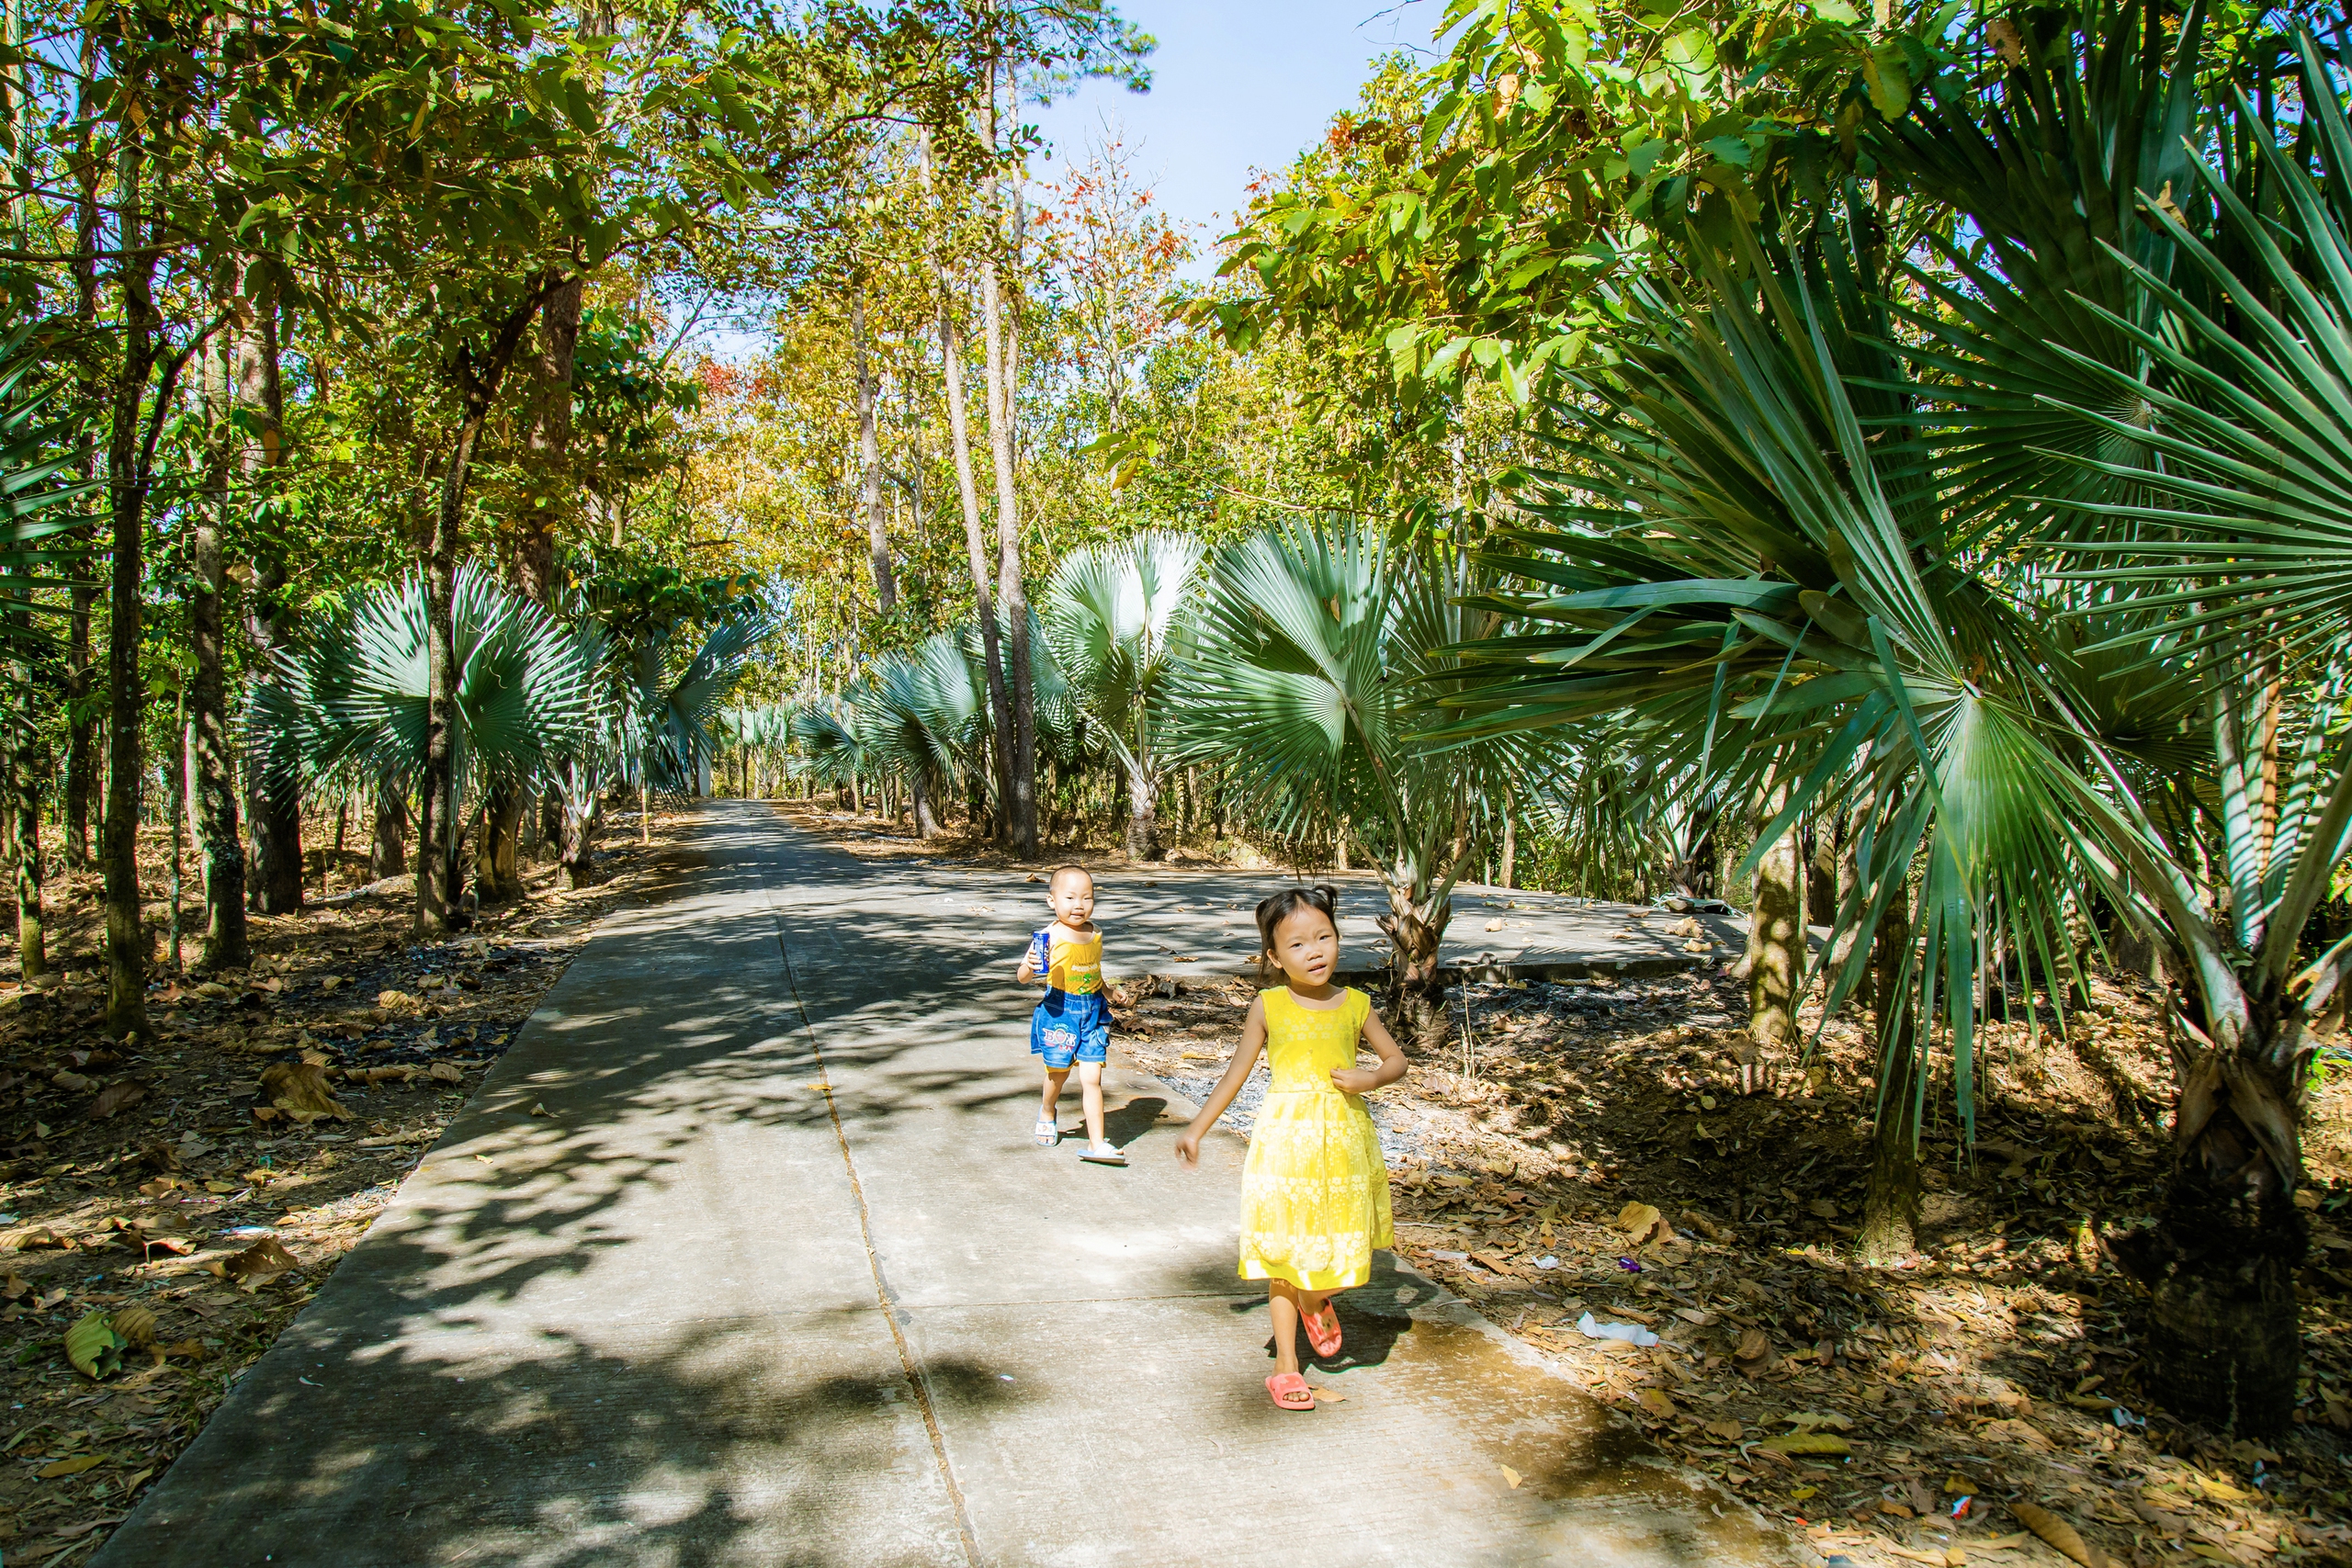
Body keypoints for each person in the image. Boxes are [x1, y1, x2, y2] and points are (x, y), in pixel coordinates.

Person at [1174, 884, 1407, 1410]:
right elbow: (1236, 1074)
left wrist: (1370, 1078)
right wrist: (1196, 1129)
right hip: (1285, 1147)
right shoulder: (1269, 1006)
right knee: (1283, 1254)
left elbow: (1396, 1062)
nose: (1316, 951)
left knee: (1341, 1240)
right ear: (1275, 959)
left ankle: (1314, 1295)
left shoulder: (1357, 1005)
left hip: (1344, 1145)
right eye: (1298, 945)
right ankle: (1285, 1363)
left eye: (1324, 937)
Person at [1016, 863, 1126, 1166]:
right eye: (1070, 898)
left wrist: (1108, 992)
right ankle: (1048, 1110)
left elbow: (1093, 972)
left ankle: (1097, 1143)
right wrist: (1028, 963)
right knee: (1058, 1073)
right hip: (1059, 1011)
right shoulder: (1048, 935)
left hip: (1092, 1011)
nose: (1079, 905)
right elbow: (1024, 977)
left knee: (1092, 1078)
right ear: (1052, 901)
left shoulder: (1095, 933)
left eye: (1087, 898)